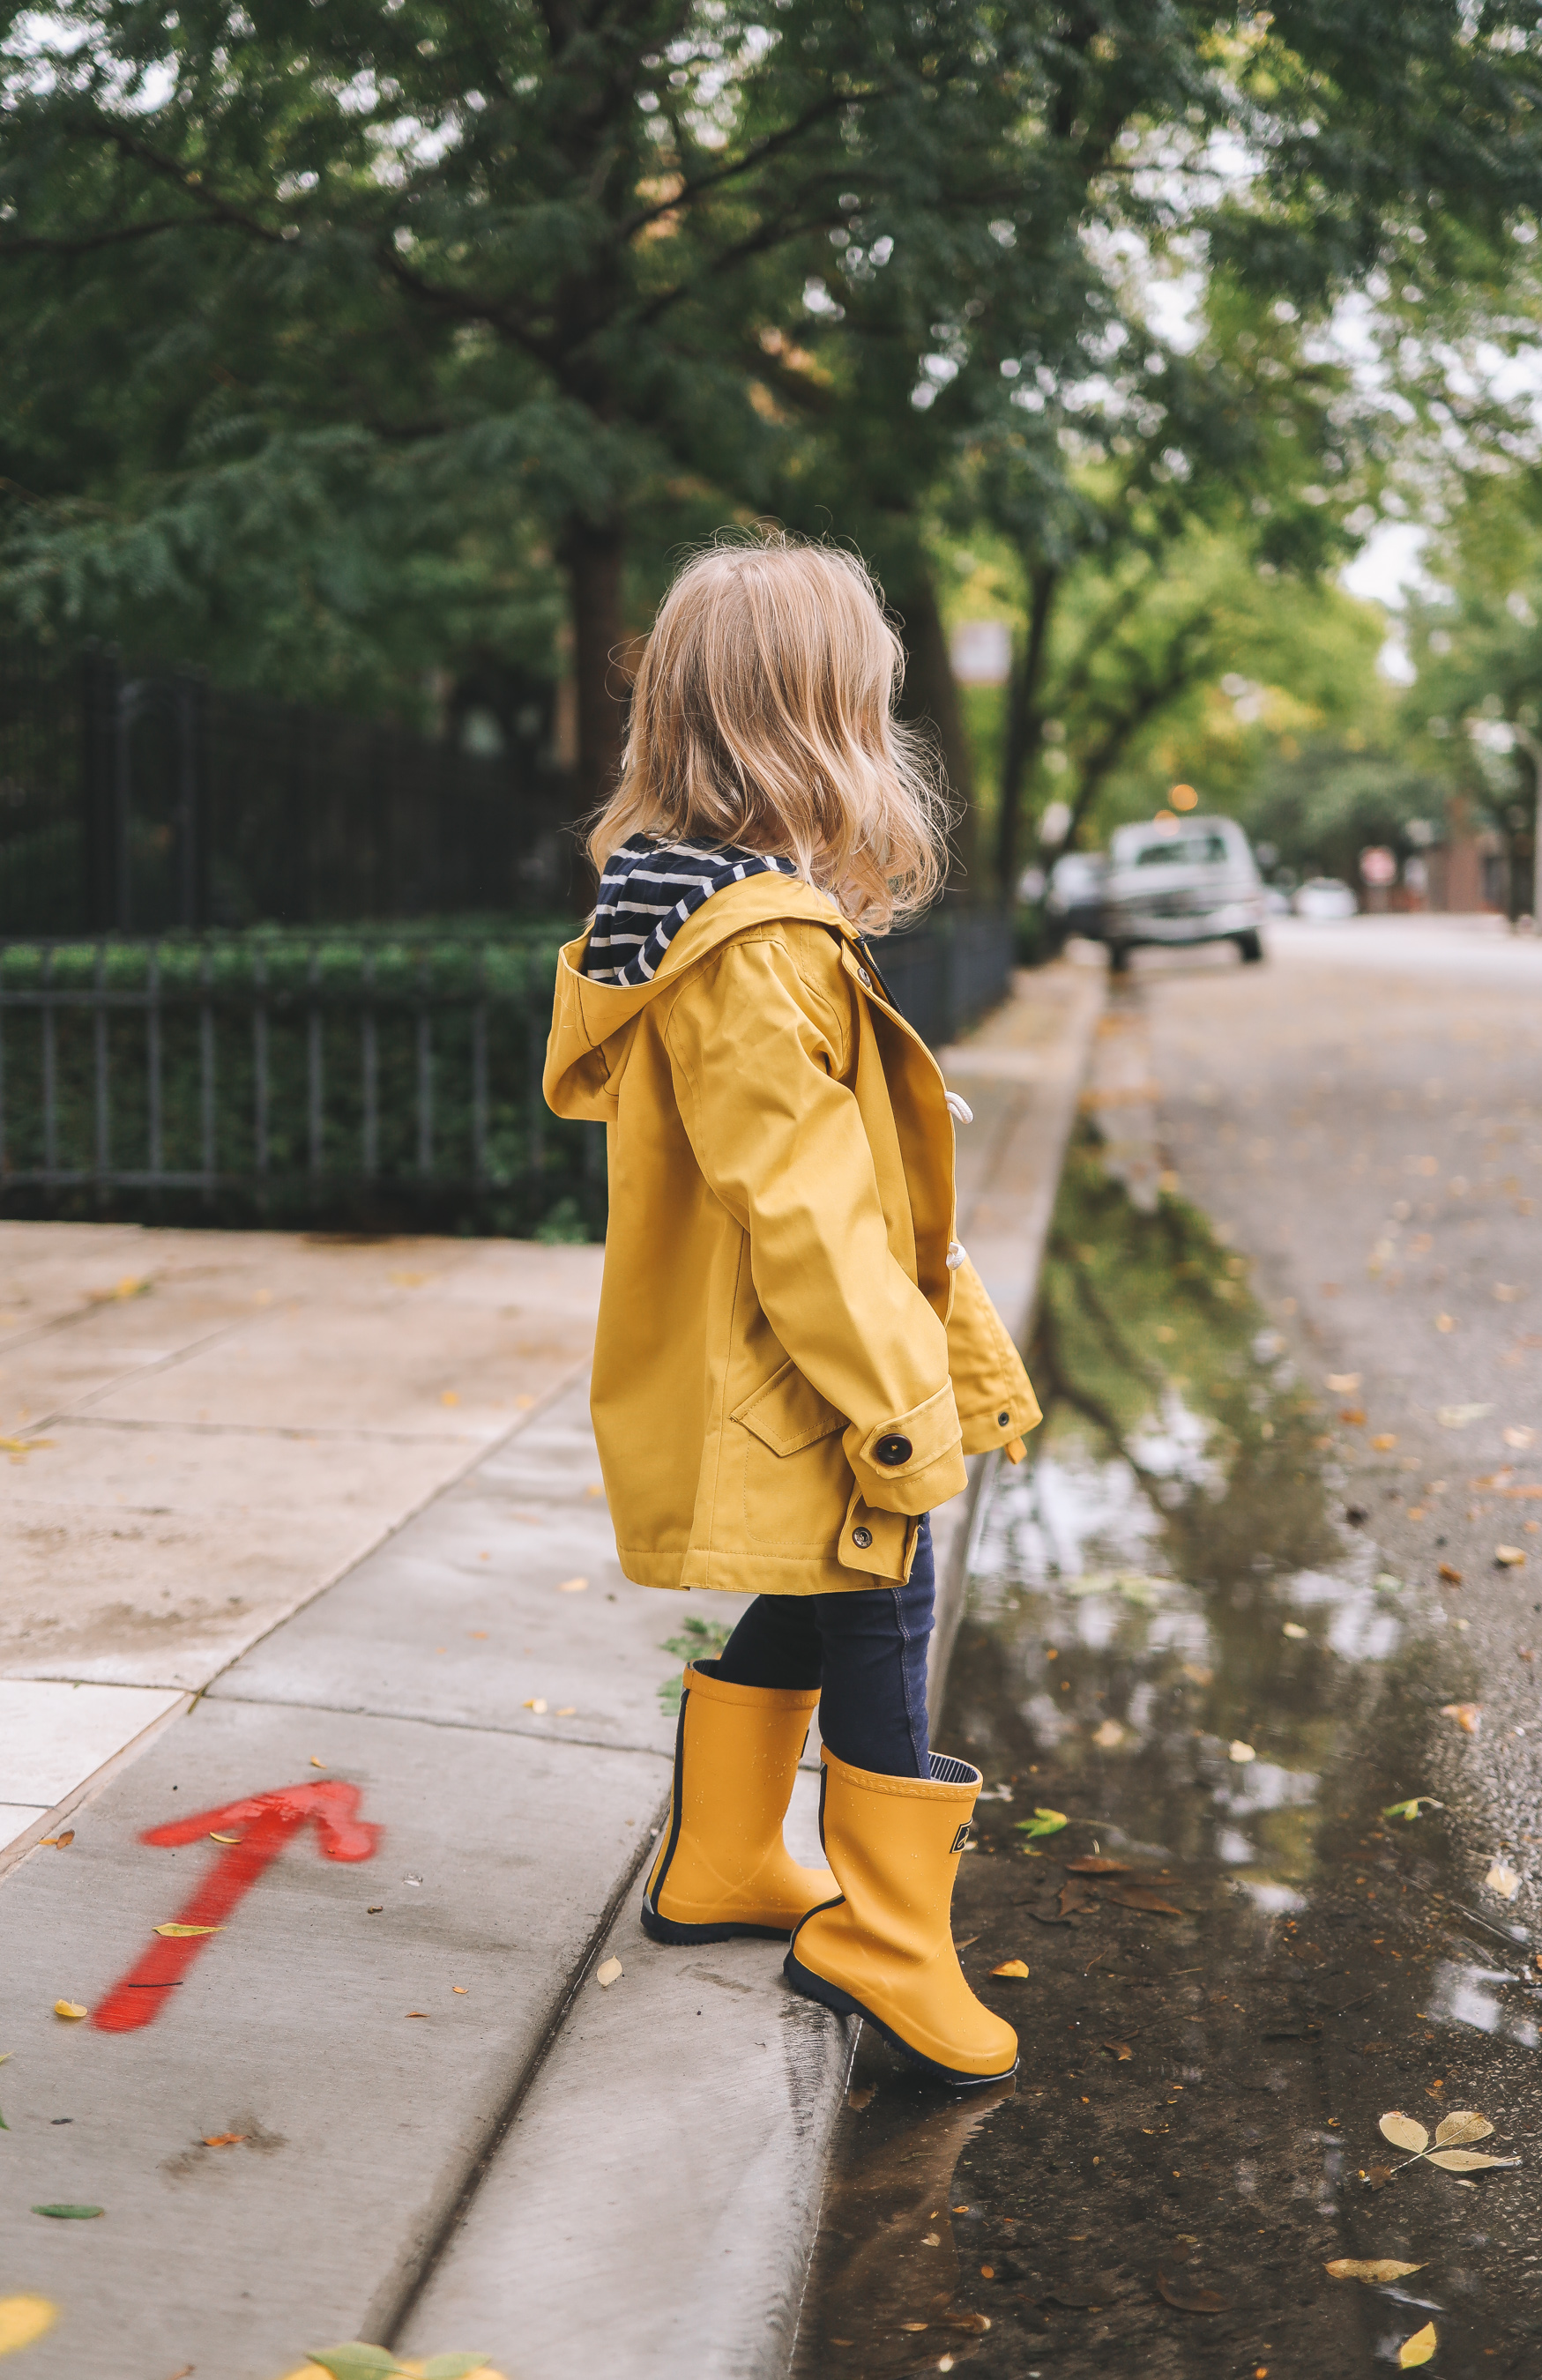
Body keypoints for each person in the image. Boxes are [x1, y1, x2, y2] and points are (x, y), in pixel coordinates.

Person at [543, 533, 1039, 2085]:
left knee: (830, 1581)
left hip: (782, 1358)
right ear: (817, 726)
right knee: (883, 1575)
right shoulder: (752, 945)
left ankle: (724, 1864)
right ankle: (887, 1937)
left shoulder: (708, 915)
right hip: (805, 1364)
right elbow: (810, 1211)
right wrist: (901, 1401)